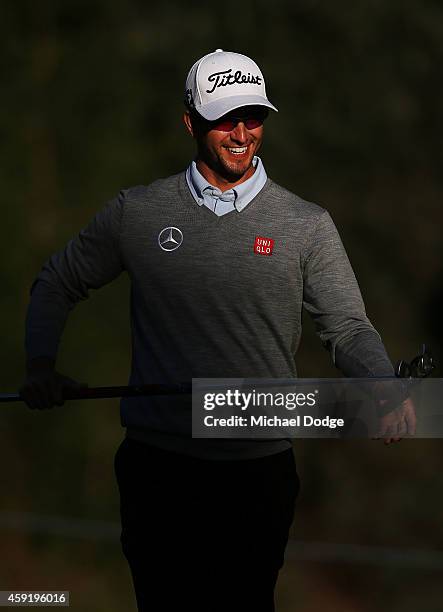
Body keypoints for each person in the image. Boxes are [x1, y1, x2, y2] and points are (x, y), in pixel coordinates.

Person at [20, 49, 415, 611]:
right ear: (191, 122)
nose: (240, 132)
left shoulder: (307, 224)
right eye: (225, 117)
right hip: (159, 468)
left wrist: (379, 383)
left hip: (256, 473)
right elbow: (57, 281)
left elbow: (348, 328)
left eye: (252, 116)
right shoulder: (138, 213)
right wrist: (40, 364)